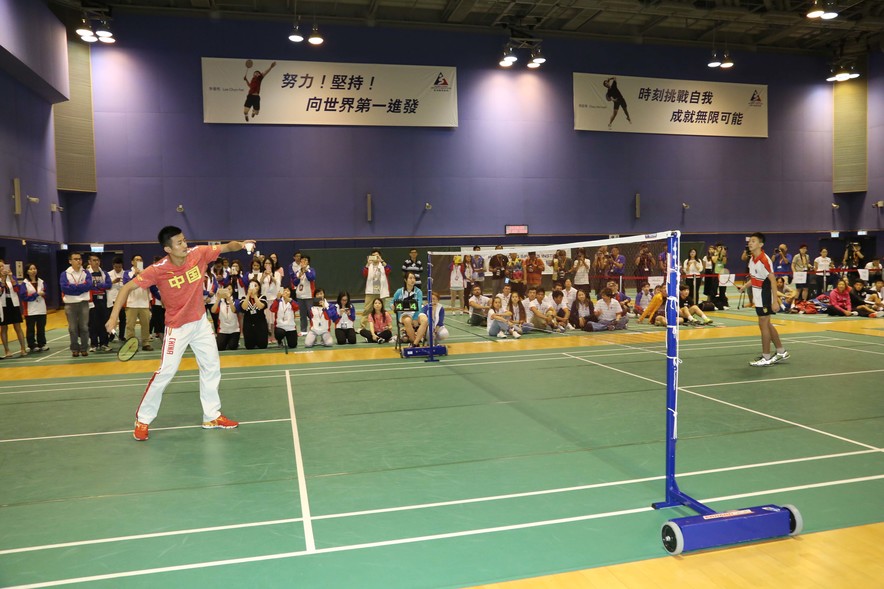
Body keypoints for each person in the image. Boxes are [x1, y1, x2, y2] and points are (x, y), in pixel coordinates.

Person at [105, 226, 247, 441]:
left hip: (200, 322)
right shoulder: (157, 269)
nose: (184, 245)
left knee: (211, 367)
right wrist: (114, 316)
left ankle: (211, 416)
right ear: (167, 249)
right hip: (177, 327)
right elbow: (126, 288)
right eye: (179, 243)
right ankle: (143, 419)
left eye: (184, 240)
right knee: (166, 372)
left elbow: (228, 246)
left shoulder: (198, 254)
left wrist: (243, 245)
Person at [739, 232, 789, 366]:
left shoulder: (764, 259)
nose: (750, 243)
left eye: (753, 241)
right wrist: (744, 286)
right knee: (766, 324)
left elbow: (773, 281)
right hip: (758, 295)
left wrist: (774, 301)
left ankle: (766, 357)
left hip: (764, 295)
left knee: (763, 324)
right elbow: (754, 278)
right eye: (750, 241)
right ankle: (781, 351)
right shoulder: (752, 258)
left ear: (761, 244)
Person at [59, 251, 91, 358]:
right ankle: (74, 348)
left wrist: (74, 288)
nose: (78, 261)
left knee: (84, 327)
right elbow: (64, 288)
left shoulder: (86, 273)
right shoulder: (65, 274)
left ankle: (84, 348)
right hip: (70, 304)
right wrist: (80, 288)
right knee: (72, 328)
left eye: (80, 259)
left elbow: (88, 286)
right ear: (70, 261)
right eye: (75, 259)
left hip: (83, 303)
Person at [123, 255, 153, 351]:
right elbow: (126, 284)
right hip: (131, 303)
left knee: (146, 324)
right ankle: (131, 344)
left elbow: (151, 283)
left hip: (144, 302)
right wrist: (135, 275)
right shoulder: (127, 273)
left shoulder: (147, 272)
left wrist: (142, 275)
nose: (138, 261)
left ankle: (146, 343)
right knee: (130, 325)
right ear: (132, 262)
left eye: (140, 259)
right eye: (136, 259)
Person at [1, 260, 28, 358]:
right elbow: (1, 289)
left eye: (3, 266)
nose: (2, 268)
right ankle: (7, 350)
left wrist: (10, 277)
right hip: (2, 305)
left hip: (13, 303)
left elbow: (17, 289)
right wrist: (3, 278)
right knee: (4, 327)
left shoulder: (12, 277)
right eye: (0, 267)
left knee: (17, 326)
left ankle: (23, 348)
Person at [392, 272, 428, 346]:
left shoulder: (418, 292)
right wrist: (392, 306)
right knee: (408, 321)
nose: (413, 280)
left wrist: (415, 318)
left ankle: (415, 344)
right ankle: (415, 342)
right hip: (404, 313)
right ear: (405, 280)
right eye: (410, 278)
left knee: (425, 320)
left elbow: (418, 305)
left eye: (414, 278)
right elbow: (392, 302)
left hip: (417, 312)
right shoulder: (399, 291)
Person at [86, 253, 112, 353]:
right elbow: (89, 286)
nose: (96, 262)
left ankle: (104, 343)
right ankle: (93, 344)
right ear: (89, 262)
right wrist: (100, 286)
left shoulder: (104, 273)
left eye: (98, 260)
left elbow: (109, 284)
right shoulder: (86, 273)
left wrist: (99, 285)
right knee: (92, 323)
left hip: (103, 301)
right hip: (92, 301)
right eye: (94, 260)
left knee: (103, 323)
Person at [21, 263, 48, 353]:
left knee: (41, 328)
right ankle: (32, 345)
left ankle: (42, 344)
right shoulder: (24, 284)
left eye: (35, 268)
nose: (33, 270)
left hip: (41, 308)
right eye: (31, 269)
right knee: (30, 329)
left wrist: (42, 294)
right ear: (27, 272)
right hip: (30, 310)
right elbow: (24, 297)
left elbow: (45, 292)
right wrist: (36, 294)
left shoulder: (41, 281)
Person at [240, 278, 269, 349]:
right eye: (251, 285)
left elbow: (261, 306)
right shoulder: (244, 297)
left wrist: (255, 295)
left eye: (255, 285)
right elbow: (244, 307)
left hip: (260, 323)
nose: (253, 287)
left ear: (259, 287)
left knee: (263, 346)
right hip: (248, 324)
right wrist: (248, 295)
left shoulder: (262, 297)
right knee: (249, 346)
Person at [290, 255, 314, 335]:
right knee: (302, 314)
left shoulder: (311, 270)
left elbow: (311, 278)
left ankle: (313, 328)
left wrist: (305, 271)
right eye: (302, 260)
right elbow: (294, 283)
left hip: (309, 295)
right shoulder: (297, 271)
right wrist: (299, 276)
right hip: (300, 296)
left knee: (311, 313)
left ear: (308, 262)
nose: (303, 262)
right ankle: (303, 330)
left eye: (305, 260)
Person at [362, 249, 391, 314]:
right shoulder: (369, 265)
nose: (375, 257)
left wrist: (382, 260)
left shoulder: (383, 265)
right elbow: (364, 273)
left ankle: (381, 323)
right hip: (371, 291)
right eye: (373, 256)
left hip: (381, 291)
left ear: (380, 256)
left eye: (377, 256)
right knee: (367, 309)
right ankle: (364, 324)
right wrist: (368, 264)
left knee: (381, 309)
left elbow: (389, 270)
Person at [213, 286, 241, 351]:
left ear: (232, 290)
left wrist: (229, 299)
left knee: (232, 347)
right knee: (220, 347)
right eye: (226, 289)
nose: (228, 291)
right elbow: (213, 311)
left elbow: (234, 310)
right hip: (223, 330)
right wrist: (218, 299)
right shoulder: (220, 302)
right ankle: (226, 341)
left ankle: (233, 342)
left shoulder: (236, 301)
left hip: (234, 329)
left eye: (229, 289)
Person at [106, 256, 126, 340]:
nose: (118, 268)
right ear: (113, 266)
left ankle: (121, 336)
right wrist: (113, 282)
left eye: (119, 267)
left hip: (122, 299)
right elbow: (106, 286)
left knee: (122, 319)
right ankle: (111, 334)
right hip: (112, 299)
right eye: (116, 267)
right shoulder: (108, 274)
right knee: (113, 319)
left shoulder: (126, 274)